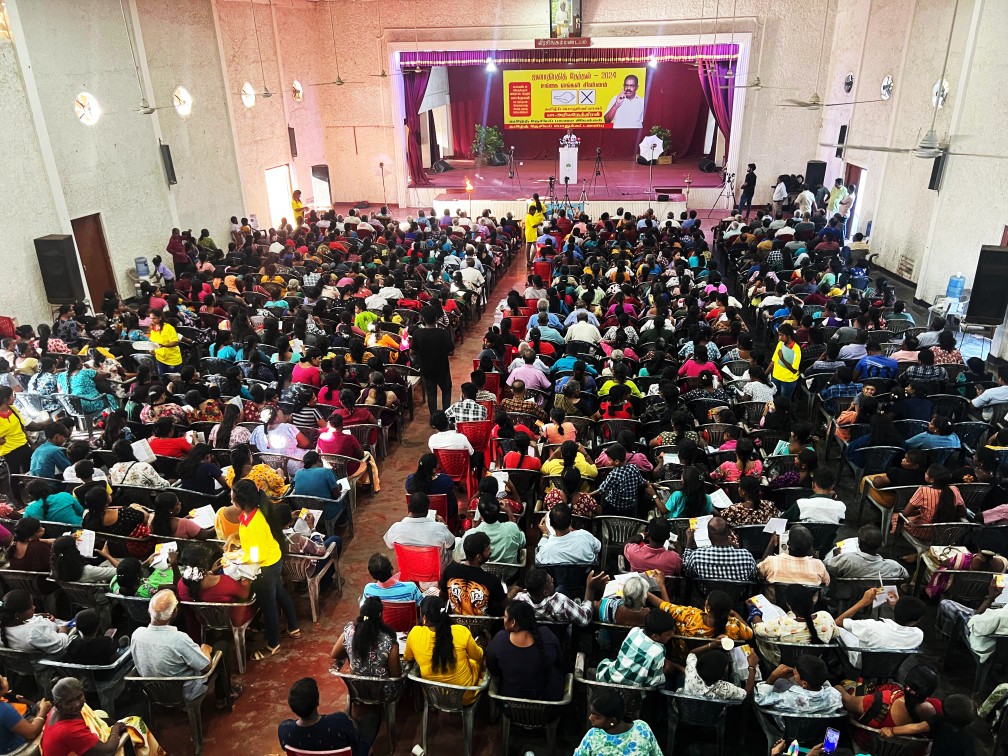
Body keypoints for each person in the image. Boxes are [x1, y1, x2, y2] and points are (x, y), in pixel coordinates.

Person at [131, 589, 240, 706]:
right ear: (174, 613)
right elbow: (207, 667)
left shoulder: (137, 634)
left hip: (153, 693)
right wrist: (205, 648)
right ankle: (223, 697)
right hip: (184, 692)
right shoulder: (178, 639)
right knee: (222, 646)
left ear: (149, 610)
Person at [231, 479, 300, 659]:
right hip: (272, 559)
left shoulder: (256, 523)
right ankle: (293, 627)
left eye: (233, 498)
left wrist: (240, 559)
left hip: (265, 567)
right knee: (279, 592)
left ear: (241, 502)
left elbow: (257, 555)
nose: (230, 500)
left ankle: (272, 644)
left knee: (268, 606)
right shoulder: (252, 513)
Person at [404, 596, 485, 704]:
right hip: (464, 697)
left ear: (424, 618)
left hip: (432, 696)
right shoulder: (461, 631)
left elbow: (407, 657)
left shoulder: (414, 633)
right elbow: (478, 656)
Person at [487, 600, 566, 700]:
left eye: (505, 617)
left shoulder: (500, 640)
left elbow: (494, 670)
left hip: (512, 708)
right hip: (550, 708)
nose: (504, 619)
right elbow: (561, 662)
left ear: (513, 622)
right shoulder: (547, 635)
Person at [277, 677, 368, 756]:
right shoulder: (339, 721)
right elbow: (355, 743)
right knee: (371, 720)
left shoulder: (285, 730)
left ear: (292, 706)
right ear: (317, 701)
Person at [40, 677, 128, 756]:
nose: (77, 704)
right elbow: (108, 751)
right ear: (58, 705)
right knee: (132, 728)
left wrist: (114, 723)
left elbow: (95, 719)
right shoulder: (69, 730)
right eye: (69, 702)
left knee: (99, 713)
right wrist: (116, 728)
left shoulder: (58, 711)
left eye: (79, 697)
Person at [595, 610, 677, 687]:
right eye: (669, 634)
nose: (673, 635)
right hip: (633, 691)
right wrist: (665, 672)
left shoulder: (634, 631)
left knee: (608, 661)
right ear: (655, 636)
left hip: (608, 678)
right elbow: (652, 682)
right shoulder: (659, 650)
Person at [572, 690, 663, 756]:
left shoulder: (594, 736)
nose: (590, 718)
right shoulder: (642, 727)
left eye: (596, 716)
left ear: (612, 721)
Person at [440, 531, 507, 616]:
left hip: (454, 624)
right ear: (478, 557)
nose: (490, 551)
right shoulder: (492, 580)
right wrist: (513, 591)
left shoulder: (450, 570)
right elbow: (505, 605)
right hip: (485, 628)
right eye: (488, 549)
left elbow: (442, 596)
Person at [383, 491, 456, 569]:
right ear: (428, 509)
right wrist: (445, 525)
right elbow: (451, 546)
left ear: (408, 507)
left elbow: (389, 545)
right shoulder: (439, 528)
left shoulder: (396, 528)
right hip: (435, 570)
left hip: (410, 568)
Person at [755, 655, 842, 713]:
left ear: (804, 683)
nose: (793, 673)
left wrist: (773, 676)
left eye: (795, 672)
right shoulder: (834, 695)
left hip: (786, 730)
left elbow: (761, 700)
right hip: (816, 732)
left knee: (779, 682)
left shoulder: (788, 698)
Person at [682, 516, 758, 581]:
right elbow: (755, 577)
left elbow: (686, 571)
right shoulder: (747, 557)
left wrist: (689, 540)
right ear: (728, 533)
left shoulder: (697, 556)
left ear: (709, 536)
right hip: (737, 597)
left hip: (706, 595)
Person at [679, 640, 759, 700]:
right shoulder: (725, 689)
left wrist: (711, 645)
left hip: (685, 709)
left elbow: (691, 654)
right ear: (722, 677)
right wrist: (752, 667)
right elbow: (746, 694)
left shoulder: (692, 670)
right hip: (711, 719)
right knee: (736, 678)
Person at [411, 306, 455, 415]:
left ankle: (434, 418)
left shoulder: (417, 333)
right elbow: (451, 352)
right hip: (442, 369)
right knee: (446, 391)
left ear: (422, 318)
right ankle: (446, 415)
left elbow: (412, 352)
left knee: (431, 394)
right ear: (436, 318)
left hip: (426, 370)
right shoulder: (443, 333)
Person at [824, 525, 909, 581]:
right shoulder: (893, 566)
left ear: (859, 543)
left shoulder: (847, 559)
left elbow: (827, 566)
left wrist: (835, 554)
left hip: (847, 594)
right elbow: (905, 575)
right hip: (875, 598)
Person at [0, 589, 71, 654]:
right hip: (51, 660)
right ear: (17, 615)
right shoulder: (32, 633)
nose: (34, 607)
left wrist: (36, 615)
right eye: (30, 606)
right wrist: (63, 630)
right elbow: (60, 646)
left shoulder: (7, 624)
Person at [759, 525, 830, 587]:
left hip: (774, 602)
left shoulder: (771, 562)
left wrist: (772, 543)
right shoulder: (819, 566)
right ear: (810, 547)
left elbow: (759, 573)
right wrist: (809, 549)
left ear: (788, 543)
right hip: (806, 602)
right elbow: (827, 582)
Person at [0, 386, 47, 474]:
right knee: (14, 474)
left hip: (23, 445)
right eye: (12, 396)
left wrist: (31, 443)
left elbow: (22, 428)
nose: (14, 398)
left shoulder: (13, 409)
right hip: (9, 451)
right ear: (5, 400)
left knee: (29, 471)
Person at [536, 503, 602, 565]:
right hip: (586, 576)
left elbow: (539, 560)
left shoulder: (547, 549)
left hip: (557, 577)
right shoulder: (585, 535)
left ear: (551, 525)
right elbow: (598, 547)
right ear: (571, 521)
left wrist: (545, 534)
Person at [0, 674, 49, 753]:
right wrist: (43, 711)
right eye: (3, 680)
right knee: (49, 721)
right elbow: (32, 733)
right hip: (16, 750)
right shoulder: (4, 709)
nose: (6, 678)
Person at [770, 323, 801, 398]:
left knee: (784, 401)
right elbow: (773, 361)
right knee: (773, 399)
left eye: (781, 335)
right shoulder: (780, 344)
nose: (779, 338)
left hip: (788, 380)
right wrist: (764, 375)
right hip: (776, 377)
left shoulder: (796, 349)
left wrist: (782, 359)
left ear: (788, 336)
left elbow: (794, 370)